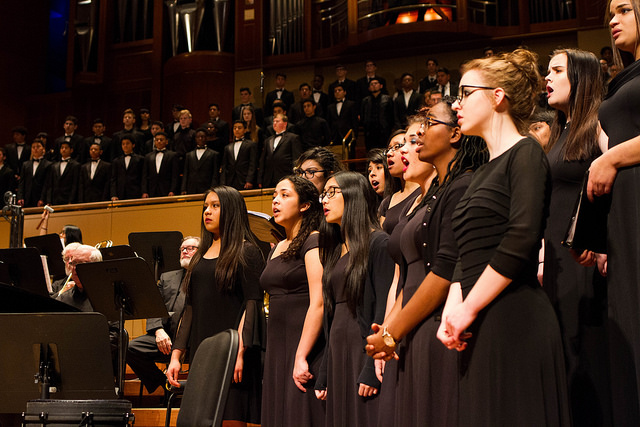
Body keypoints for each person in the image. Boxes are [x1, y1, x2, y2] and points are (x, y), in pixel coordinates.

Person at [436, 49, 571, 425]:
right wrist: (453, 302)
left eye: (465, 93)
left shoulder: (526, 153)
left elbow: (521, 237)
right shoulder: (480, 172)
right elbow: (465, 250)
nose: (456, 104)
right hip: (480, 325)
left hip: (516, 320)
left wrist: (468, 308)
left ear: (497, 96)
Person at [366, 102, 487, 426]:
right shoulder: (436, 194)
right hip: (415, 322)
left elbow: (443, 271)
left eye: (426, 128)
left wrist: (392, 332)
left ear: (455, 135)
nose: (414, 142)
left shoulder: (460, 187)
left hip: (436, 320)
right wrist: (390, 329)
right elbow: (406, 278)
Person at [541, 48, 612, 425]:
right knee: (567, 353)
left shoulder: (598, 121)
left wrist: (603, 242)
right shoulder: (560, 129)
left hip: (582, 257)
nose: (546, 78)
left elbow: (619, 173)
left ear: (580, 76)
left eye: (555, 70)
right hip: (555, 257)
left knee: (588, 351)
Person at [167, 186, 265, 426]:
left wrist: (239, 351)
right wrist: (176, 355)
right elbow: (190, 309)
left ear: (231, 210)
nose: (207, 212)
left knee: (230, 418)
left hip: (232, 352)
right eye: (205, 207)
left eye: (215, 206)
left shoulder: (247, 252)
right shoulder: (200, 256)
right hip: (203, 352)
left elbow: (251, 304)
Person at [588, 1, 640, 423]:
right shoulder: (622, 78)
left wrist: (613, 158)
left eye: (624, 9)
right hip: (623, 212)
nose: (612, 20)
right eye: (610, 13)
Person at [314, 171, 395, 426]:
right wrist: (325, 371)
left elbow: (383, 309)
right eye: (322, 194)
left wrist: (372, 365)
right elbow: (333, 316)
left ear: (354, 196)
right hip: (339, 350)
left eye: (331, 192)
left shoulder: (378, 243)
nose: (324, 200)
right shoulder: (337, 250)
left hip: (363, 349)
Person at [260, 176, 325, 426]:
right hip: (277, 344)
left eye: (285, 195)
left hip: (303, 343)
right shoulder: (277, 247)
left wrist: (301, 355)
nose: (276, 200)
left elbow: (318, 301)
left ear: (305, 205)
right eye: (275, 195)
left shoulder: (313, 240)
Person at [127, 236, 200, 395]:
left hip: (195, 340)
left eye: (190, 248)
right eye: (182, 249)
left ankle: (193, 396)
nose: (184, 252)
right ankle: (164, 386)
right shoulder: (168, 277)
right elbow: (154, 306)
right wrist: (158, 330)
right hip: (167, 337)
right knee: (131, 348)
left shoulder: (207, 276)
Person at [378, 130, 421, 233]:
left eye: (397, 147)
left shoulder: (424, 192)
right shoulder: (387, 202)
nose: (389, 153)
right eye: (388, 149)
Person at [258, 114, 302, 189]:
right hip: (269, 178)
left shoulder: (293, 138)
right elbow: (263, 161)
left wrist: (295, 177)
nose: (274, 123)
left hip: (286, 176)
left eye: (277, 121)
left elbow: (296, 159)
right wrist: (260, 179)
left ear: (285, 123)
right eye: (274, 121)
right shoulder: (268, 140)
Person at [220, 120, 258, 190]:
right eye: (235, 128)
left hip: (244, 179)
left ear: (245, 130)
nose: (236, 130)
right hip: (230, 181)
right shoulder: (228, 147)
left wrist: (249, 180)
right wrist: (223, 183)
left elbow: (252, 164)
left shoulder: (251, 145)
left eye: (239, 128)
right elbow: (224, 167)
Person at [181, 128, 220, 195]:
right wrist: (183, 188)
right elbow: (186, 172)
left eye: (202, 137)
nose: (200, 139)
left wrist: (213, 188)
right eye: (198, 137)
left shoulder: (214, 154)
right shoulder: (189, 155)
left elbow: (215, 174)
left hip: (207, 187)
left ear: (207, 138)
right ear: (195, 139)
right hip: (191, 188)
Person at [141, 132, 179, 198]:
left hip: (167, 190)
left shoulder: (173, 155)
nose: (159, 141)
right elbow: (144, 175)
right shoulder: (148, 156)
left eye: (161, 140)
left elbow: (175, 175)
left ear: (166, 142)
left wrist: (172, 190)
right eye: (157, 140)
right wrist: (144, 191)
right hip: (151, 190)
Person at [17, 138, 51, 207]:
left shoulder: (48, 165)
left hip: (40, 199)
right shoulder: (25, 164)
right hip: (26, 199)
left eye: (38, 147)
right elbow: (21, 183)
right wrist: (20, 197)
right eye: (33, 147)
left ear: (43, 149)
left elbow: (47, 184)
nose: (35, 149)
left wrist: (42, 199)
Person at [110, 136, 144, 201]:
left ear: (133, 145)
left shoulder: (140, 159)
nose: (125, 146)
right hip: (120, 193)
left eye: (127, 143)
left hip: (136, 192)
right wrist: (113, 194)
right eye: (123, 144)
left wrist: (143, 192)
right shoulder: (116, 161)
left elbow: (143, 177)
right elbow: (113, 179)